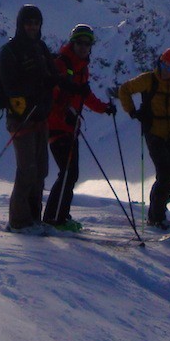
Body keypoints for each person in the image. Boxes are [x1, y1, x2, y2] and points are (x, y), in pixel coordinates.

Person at [0, 4, 66, 233]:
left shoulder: (40, 47)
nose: (32, 27)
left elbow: (53, 75)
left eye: (36, 23)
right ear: (20, 24)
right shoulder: (9, 51)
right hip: (21, 118)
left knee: (41, 170)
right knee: (27, 169)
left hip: (40, 116)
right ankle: (19, 221)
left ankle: (34, 218)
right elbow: (9, 84)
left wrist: (63, 82)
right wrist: (35, 86)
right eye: (28, 22)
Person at [43, 24, 115, 231]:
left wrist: (104, 108)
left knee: (69, 173)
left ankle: (58, 216)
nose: (84, 47)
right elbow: (51, 93)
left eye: (88, 43)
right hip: (57, 125)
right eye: (80, 43)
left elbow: (85, 95)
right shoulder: (61, 64)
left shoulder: (82, 67)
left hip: (69, 127)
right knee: (68, 173)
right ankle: (55, 218)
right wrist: (66, 111)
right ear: (72, 43)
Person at [117, 47, 170, 231]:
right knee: (164, 175)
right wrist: (132, 111)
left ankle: (158, 214)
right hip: (154, 133)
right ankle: (156, 217)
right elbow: (124, 90)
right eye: (166, 66)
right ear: (160, 63)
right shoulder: (148, 79)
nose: (169, 72)